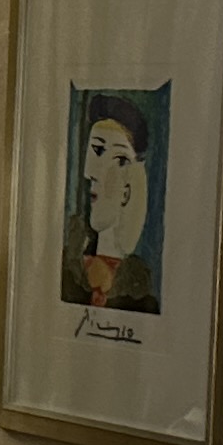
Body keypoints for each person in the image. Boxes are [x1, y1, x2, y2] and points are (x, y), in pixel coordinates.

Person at [69, 95, 162, 312]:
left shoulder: (138, 290)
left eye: (117, 159)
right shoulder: (70, 267)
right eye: (95, 151)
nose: (90, 173)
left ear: (128, 188)